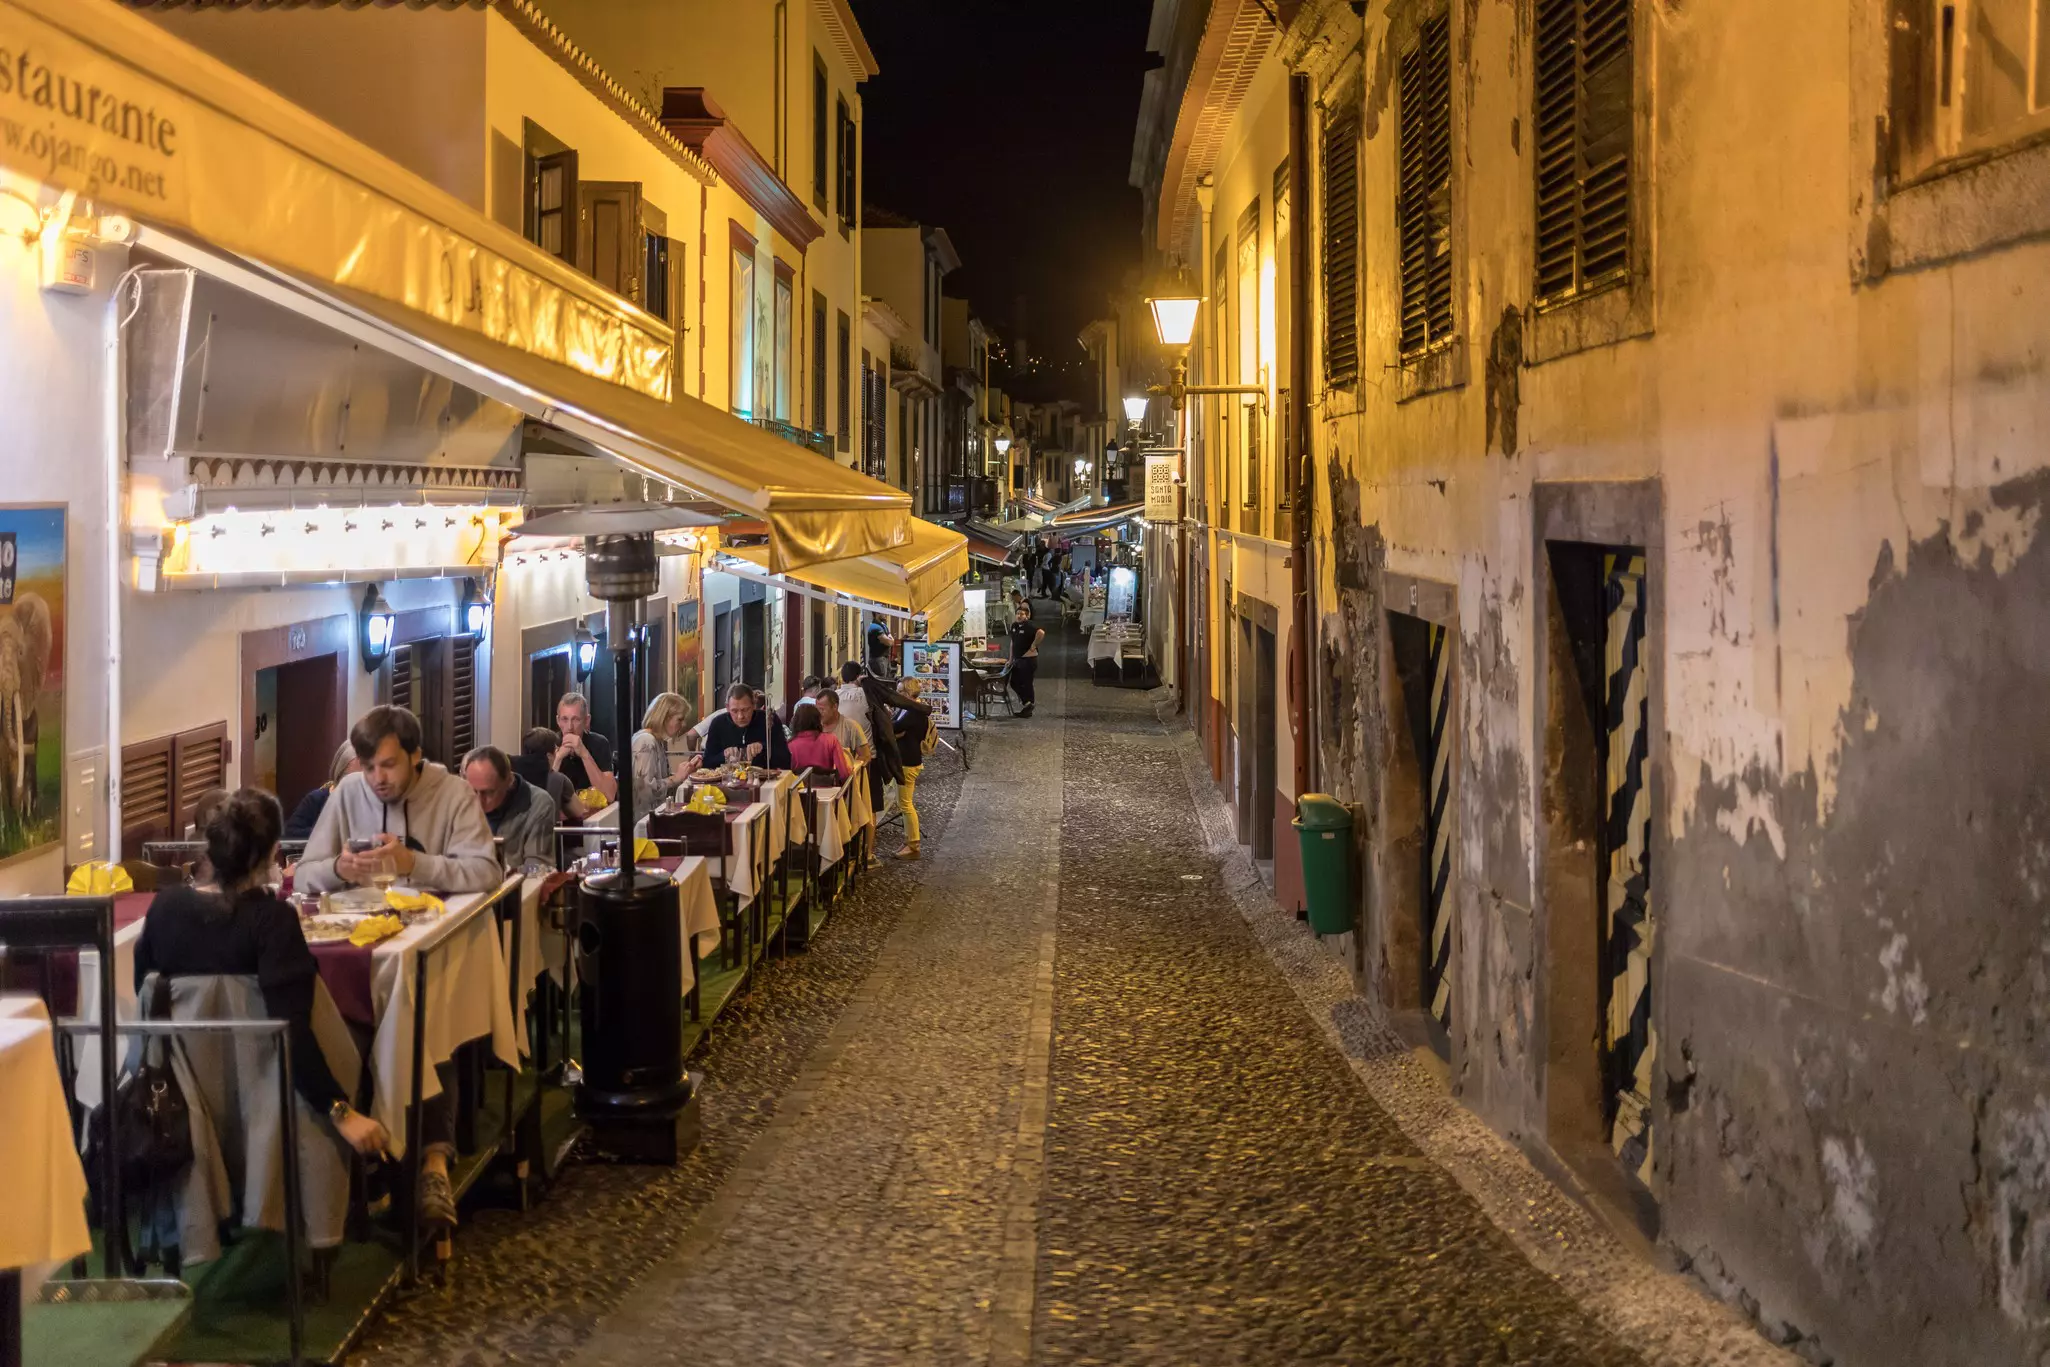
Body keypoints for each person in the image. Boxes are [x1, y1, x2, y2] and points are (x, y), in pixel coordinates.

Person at [134, 788, 388, 1160]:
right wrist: (340, 1110)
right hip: (267, 1095)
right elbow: (293, 1030)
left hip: (177, 1088)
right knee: (359, 1029)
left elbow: (145, 993)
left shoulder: (164, 908)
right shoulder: (273, 921)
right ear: (272, 854)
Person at [297, 706, 502, 895]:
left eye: (389, 765)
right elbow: (302, 876)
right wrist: (338, 869)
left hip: (440, 926)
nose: (378, 779)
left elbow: (487, 873)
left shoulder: (455, 793)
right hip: (364, 927)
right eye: (369, 768)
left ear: (415, 756)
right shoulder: (347, 792)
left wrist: (413, 863)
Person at [843, 662, 930, 816]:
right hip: (871, 758)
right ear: (858, 676)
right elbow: (889, 723)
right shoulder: (868, 695)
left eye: (902, 691)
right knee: (872, 806)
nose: (899, 693)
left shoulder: (837, 697)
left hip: (848, 759)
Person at [462, 746, 559, 869]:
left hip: (516, 886)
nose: (479, 801)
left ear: (509, 781)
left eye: (489, 793)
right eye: (472, 791)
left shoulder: (539, 804)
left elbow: (537, 869)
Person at [631, 692, 704, 812]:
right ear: (664, 717)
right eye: (679, 719)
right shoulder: (646, 741)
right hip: (644, 821)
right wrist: (676, 778)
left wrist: (686, 771)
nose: (683, 724)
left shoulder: (656, 741)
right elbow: (644, 790)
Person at [699, 681, 792, 769]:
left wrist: (763, 748)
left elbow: (786, 761)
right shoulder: (718, 724)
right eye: (734, 711)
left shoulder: (768, 720)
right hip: (728, 781)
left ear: (754, 705)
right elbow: (707, 763)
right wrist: (723, 755)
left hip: (764, 780)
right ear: (727, 708)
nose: (740, 716)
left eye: (745, 710)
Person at [890, 678, 932, 860]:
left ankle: (913, 843)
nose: (896, 695)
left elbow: (894, 727)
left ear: (907, 694)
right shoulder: (908, 709)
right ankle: (909, 839)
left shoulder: (914, 712)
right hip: (906, 760)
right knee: (903, 802)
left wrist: (895, 731)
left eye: (899, 691)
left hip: (908, 761)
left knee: (906, 804)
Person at [285, 743, 359, 841]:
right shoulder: (316, 799)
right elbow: (290, 834)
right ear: (339, 775)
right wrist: (328, 832)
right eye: (353, 778)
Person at [552, 692, 617, 802]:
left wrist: (584, 754)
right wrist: (558, 759)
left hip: (593, 814)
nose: (569, 727)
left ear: (587, 720)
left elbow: (609, 795)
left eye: (576, 719)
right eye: (564, 719)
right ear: (558, 721)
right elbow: (541, 799)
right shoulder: (549, 743)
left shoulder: (599, 743)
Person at [512, 727, 585, 822]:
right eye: (556, 749)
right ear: (549, 756)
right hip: (546, 836)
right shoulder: (559, 780)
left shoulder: (511, 777)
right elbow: (579, 813)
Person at [785, 701, 851, 782]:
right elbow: (844, 774)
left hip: (798, 792)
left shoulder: (789, 745)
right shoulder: (831, 740)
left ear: (795, 721)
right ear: (818, 719)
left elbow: (785, 776)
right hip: (829, 792)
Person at [814, 686, 871, 764]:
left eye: (822, 709)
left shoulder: (851, 727)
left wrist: (851, 767)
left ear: (835, 707)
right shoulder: (813, 725)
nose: (819, 713)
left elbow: (866, 756)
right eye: (817, 709)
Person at [1008, 600, 1045, 719]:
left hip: (1028, 660)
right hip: (1017, 659)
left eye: (1022, 614)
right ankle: (1027, 704)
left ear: (1027, 616)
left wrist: (1033, 646)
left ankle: (1029, 707)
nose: (1019, 616)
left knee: (1027, 683)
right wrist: (1010, 659)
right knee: (1014, 682)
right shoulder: (1014, 626)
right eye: (1017, 614)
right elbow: (1012, 643)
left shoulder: (1030, 625)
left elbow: (1041, 632)